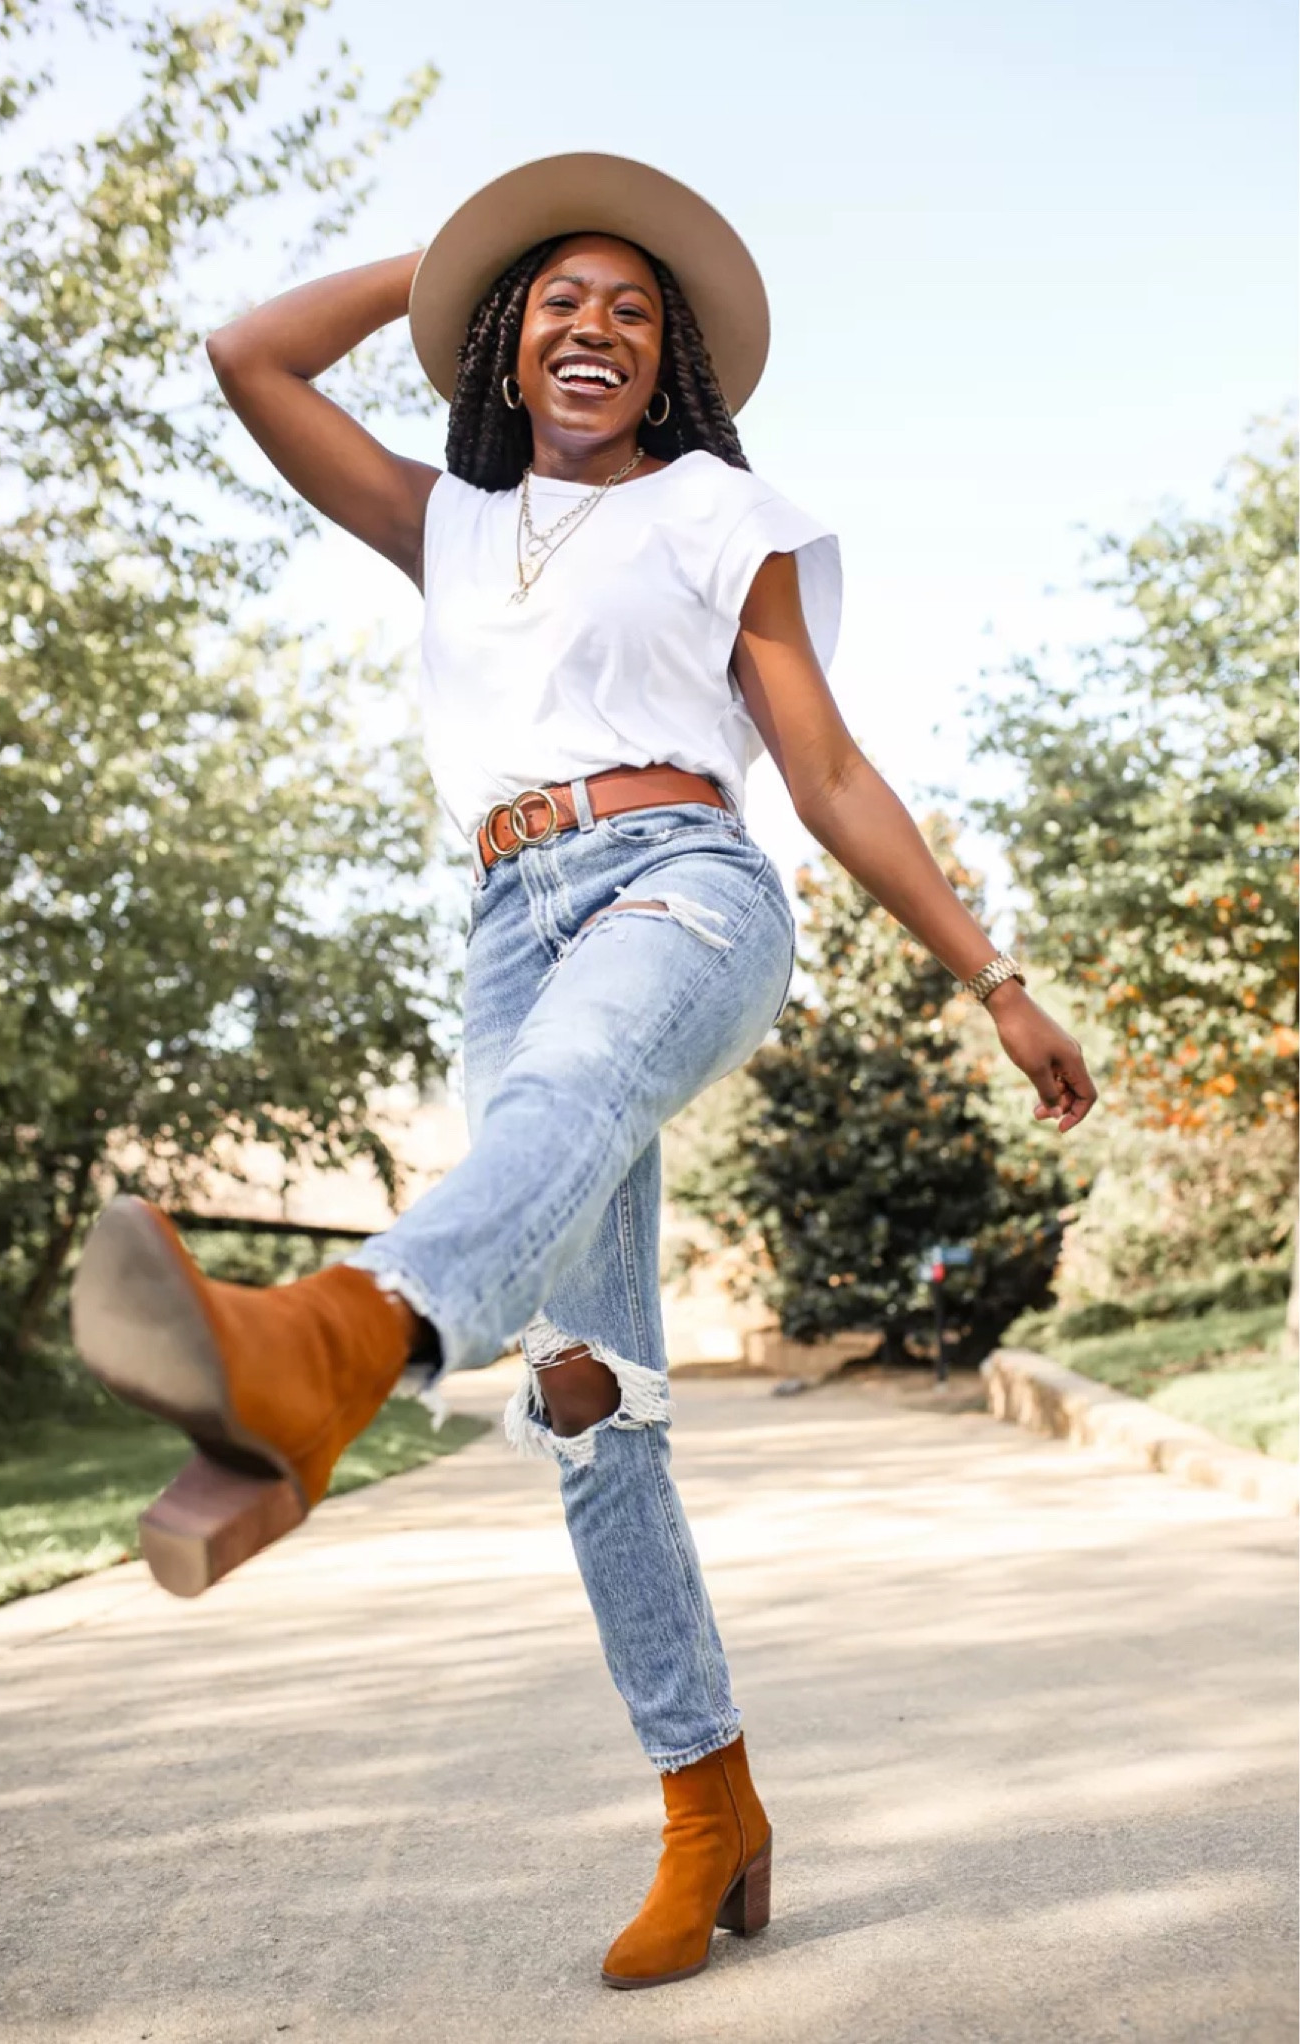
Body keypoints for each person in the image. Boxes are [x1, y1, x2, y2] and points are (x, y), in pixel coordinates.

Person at [71, 152, 1097, 1992]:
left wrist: (993, 978)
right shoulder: (449, 522)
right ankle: (714, 1812)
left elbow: (836, 777)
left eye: (635, 307)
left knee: (548, 1123)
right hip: (505, 927)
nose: (597, 326)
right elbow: (247, 356)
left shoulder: (725, 511)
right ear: (505, 340)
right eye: (559, 300)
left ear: (678, 357)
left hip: (684, 883)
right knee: (591, 1408)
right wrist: (453, 265)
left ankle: (324, 1353)